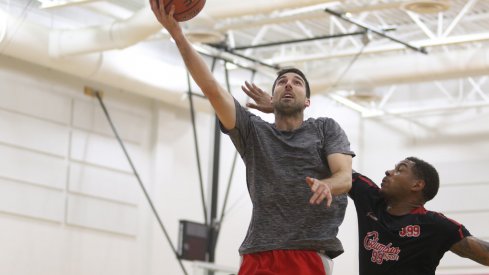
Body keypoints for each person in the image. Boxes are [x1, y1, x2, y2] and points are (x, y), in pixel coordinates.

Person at [150, 1, 355, 274]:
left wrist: (327, 185)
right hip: (257, 253)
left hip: (306, 252)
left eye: (297, 82)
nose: (288, 84)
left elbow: (345, 176)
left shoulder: (325, 128)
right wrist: (178, 35)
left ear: (307, 101)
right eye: (282, 82)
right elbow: (211, 88)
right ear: (273, 97)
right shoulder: (254, 131)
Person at [240, 86, 489, 274]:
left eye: (400, 169)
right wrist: (281, 109)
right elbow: (325, 159)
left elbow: (480, 252)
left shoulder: (436, 225)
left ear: (417, 185)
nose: (389, 172)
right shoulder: (371, 199)